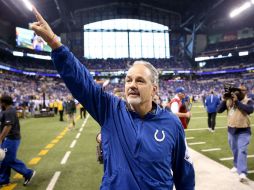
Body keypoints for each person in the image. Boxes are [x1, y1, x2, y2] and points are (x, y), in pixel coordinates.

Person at [30, 7, 195, 189]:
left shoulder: (171, 123)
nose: (132, 84)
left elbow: (184, 174)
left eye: (140, 81)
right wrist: (54, 42)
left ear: (154, 89)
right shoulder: (110, 110)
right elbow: (82, 82)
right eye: (128, 80)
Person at [217, 85, 253, 183]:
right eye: (238, 90)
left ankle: (242, 172)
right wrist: (225, 100)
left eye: (241, 91)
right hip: (231, 129)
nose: (239, 92)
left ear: (245, 91)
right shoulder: (229, 101)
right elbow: (219, 110)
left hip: (244, 130)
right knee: (235, 149)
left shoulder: (248, 100)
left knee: (242, 150)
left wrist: (237, 102)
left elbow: (250, 110)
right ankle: (236, 165)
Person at [0, 95, 36, 187]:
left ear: (3, 103)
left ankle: (28, 173)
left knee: (8, 159)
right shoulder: (9, 110)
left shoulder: (9, 111)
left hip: (11, 138)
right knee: (4, 159)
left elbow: (8, 126)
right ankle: (3, 179)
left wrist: (0, 138)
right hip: (9, 138)